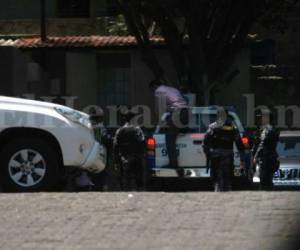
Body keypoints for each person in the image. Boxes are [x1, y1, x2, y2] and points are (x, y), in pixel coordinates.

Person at [149, 79, 189, 176]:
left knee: (169, 138)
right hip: (186, 113)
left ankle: (173, 164)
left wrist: (160, 121)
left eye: (152, 90)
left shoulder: (158, 91)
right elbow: (185, 100)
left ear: (154, 86)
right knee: (179, 133)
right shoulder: (173, 89)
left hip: (177, 114)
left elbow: (159, 109)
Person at [203, 107, 246, 192]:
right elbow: (239, 143)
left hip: (216, 156)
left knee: (216, 177)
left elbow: (205, 142)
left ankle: (218, 190)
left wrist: (208, 154)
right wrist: (242, 157)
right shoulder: (233, 127)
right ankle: (227, 190)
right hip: (228, 156)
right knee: (228, 177)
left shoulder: (212, 127)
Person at [113, 110, 146, 190]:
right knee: (138, 177)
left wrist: (116, 159)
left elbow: (115, 145)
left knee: (125, 178)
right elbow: (142, 141)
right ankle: (139, 191)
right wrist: (142, 153)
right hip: (136, 157)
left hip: (124, 158)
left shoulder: (119, 130)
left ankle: (125, 192)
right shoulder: (137, 129)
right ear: (132, 119)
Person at [252, 109, 279, 190]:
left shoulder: (267, 130)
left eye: (261, 118)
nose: (260, 120)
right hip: (270, 157)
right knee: (267, 180)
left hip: (266, 158)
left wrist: (255, 156)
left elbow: (262, 145)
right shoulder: (272, 129)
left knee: (264, 180)